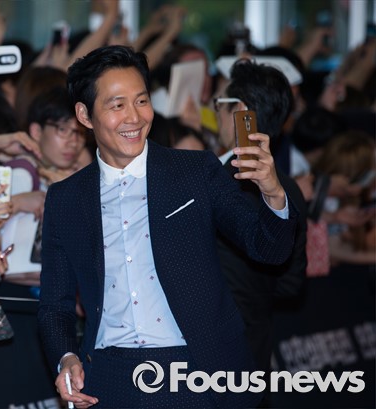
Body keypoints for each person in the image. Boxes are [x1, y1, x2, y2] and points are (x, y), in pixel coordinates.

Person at [37, 45, 298, 408]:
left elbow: (268, 248)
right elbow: (55, 303)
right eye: (117, 105)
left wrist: (272, 192)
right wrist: (66, 357)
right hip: (109, 378)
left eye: (142, 101)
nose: (134, 117)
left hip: (198, 370)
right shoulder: (66, 198)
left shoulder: (195, 171)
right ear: (85, 115)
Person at [213, 59, 308, 406]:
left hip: (206, 350)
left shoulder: (213, 181)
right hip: (256, 346)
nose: (214, 114)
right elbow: (290, 283)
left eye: (218, 104)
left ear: (239, 111)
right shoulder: (289, 189)